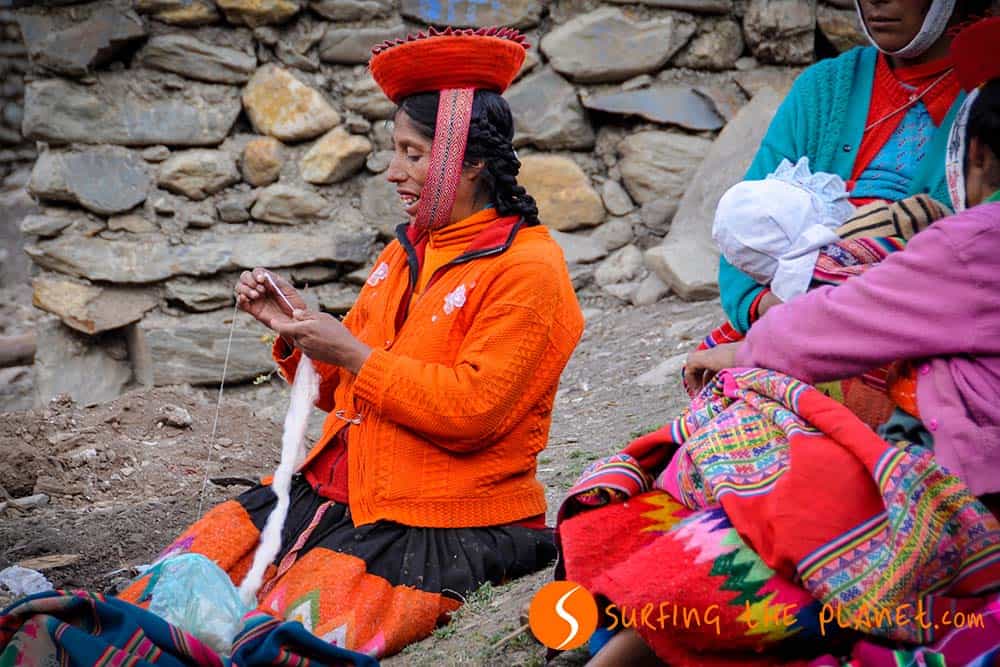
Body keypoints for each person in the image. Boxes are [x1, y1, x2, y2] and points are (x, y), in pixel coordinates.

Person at [0, 27, 584, 665]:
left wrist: (354, 354)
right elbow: (343, 388)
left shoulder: (529, 270)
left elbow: (474, 412)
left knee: (278, 636)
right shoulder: (408, 251)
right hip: (336, 489)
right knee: (180, 577)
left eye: (413, 154)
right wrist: (299, 328)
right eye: (396, 152)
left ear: (469, 161)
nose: (395, 172)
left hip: (443, 521)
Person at [555, 19, 1000, 667]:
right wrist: (773, 307)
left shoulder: (972, 237)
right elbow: (740, 231)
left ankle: (639, 623)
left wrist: (770, 337)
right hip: (833, 319)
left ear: (979, 155)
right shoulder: (825, 89)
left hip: (890, 349)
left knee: (768, 469)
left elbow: (867, 311)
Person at [720, 0, 992, 334]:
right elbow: (742, 233)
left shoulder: (989, 94)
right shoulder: (823, 89)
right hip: (794, 320)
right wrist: (781, 313)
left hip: (930, 324)